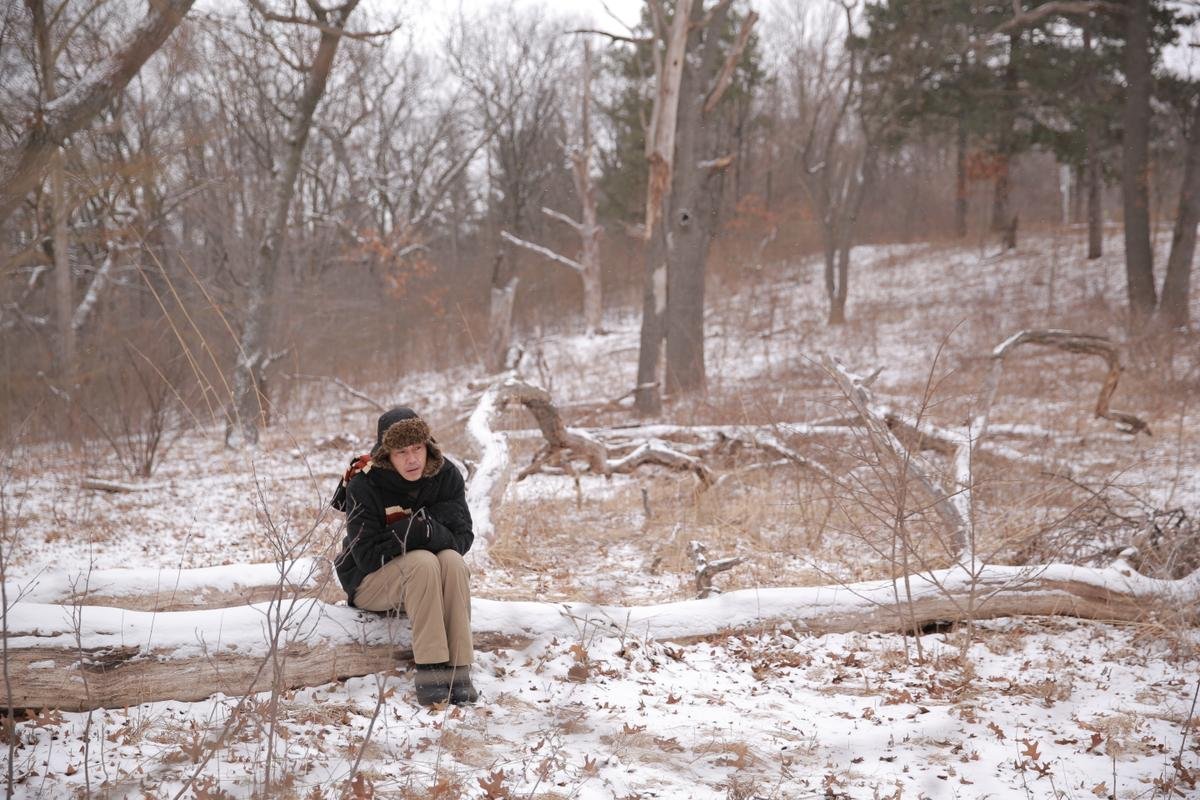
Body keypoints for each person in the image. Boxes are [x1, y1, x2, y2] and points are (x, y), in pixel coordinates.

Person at [333, 406, 478, 706]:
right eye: (401, 452)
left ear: (428, 446)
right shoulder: (365, 483)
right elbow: (366, 557)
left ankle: (459, 669)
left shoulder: (445, 475)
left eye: (417, 448)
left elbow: (463, 538)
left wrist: (429, 532)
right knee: (423, 562)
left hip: (425, 579)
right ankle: (430, 672)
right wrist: (412, 532)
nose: (412, 459)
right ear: (387, 455)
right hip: (370, 583)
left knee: (452, 560)